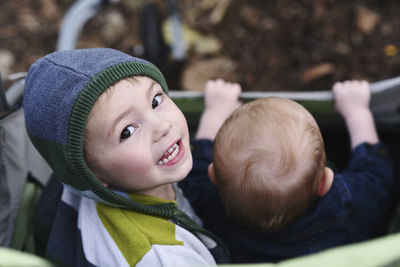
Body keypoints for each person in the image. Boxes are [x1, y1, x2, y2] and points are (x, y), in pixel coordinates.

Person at [23, 48, 230, 267]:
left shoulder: (88, 180)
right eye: (127, 132)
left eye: (156, 101)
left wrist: (214, 115)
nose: (162, 127)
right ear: (92, 175)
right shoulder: (163, 257)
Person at [179, 80, 394, 263]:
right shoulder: (350, 206)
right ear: (325, 182)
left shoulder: (201, 206)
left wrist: (215, 111)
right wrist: (358, 112)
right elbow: (376, 173)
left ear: (213, 176)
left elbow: (193, 169)